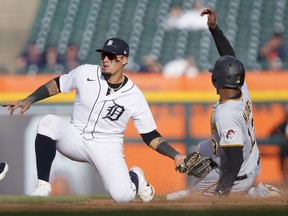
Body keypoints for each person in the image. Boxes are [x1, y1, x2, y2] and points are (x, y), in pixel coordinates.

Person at [2, 37, 186, 203]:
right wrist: (30, 99)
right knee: (47, 123)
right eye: (104, 55)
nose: (105, 59)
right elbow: (59, 83)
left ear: (124, 60)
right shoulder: (86, 72)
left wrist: (175, 155)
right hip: (75, 137)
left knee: (123, 197)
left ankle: (135, 177)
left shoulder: (134, 96)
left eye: (111, 56)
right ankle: (43, 186)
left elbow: (149, 134)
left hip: (106, 145)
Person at [170, 8, 280, 199]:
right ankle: (246, 188)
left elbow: (234, 160)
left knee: (189, 199)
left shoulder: (226, 115)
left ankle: (254, 193)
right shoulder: (241, 86)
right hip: (252, 157)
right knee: (203, 148)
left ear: (216, 80)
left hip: (239, 174)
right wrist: (214, 29)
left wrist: (221, 195)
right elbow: (230, 57)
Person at [269, 110, 288, 184]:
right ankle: (284, 179)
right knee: (282, 161)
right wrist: (278, 134)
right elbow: (272, 132)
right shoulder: (283, 124)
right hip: (284, 147)